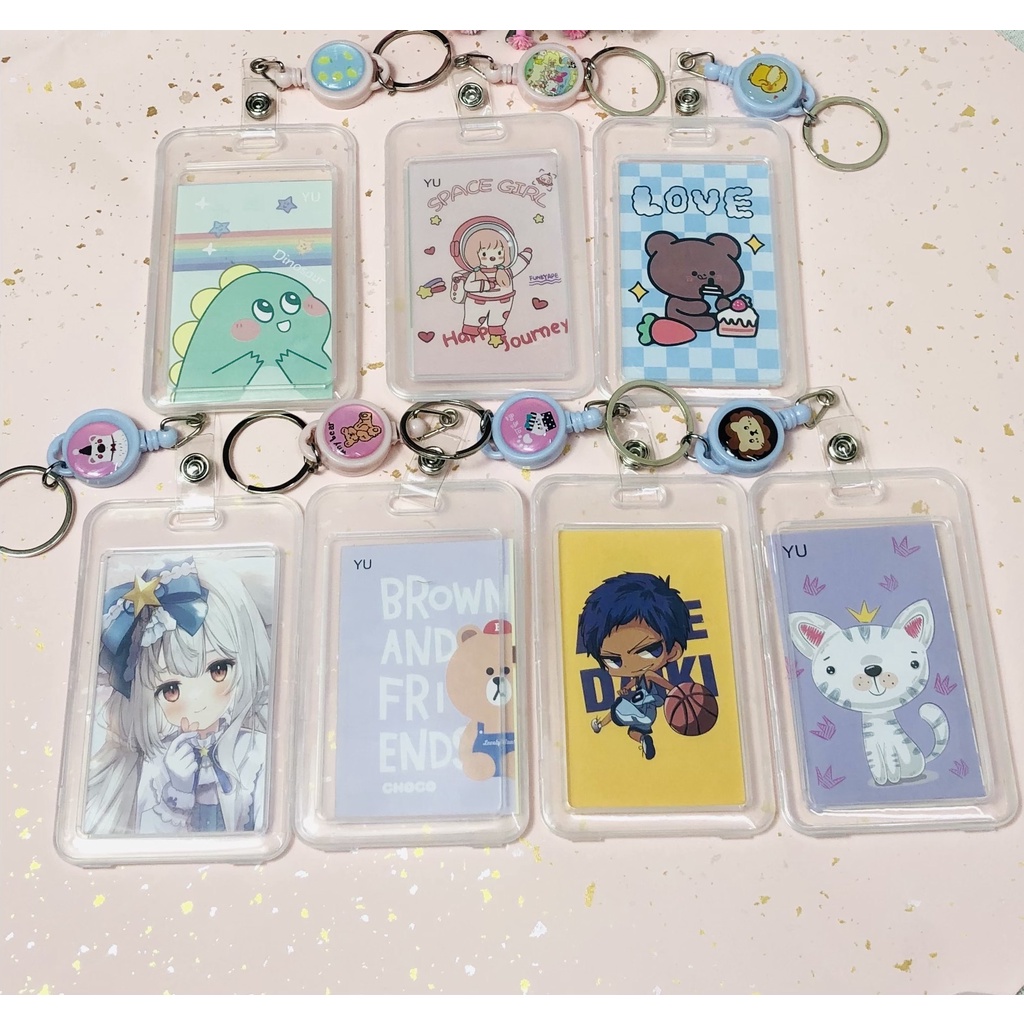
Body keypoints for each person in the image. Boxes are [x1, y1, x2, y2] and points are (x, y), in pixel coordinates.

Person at [84, 555, 271, 836]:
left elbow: (271, 829)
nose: (197, 702)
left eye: (218, 670)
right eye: (171, 689)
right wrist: (177, 795)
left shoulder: (256, 752)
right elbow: (149, 844)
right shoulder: (158, 763)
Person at [577, 572, 690, 760]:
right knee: (633, 731)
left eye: (647, 650)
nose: (631, 664)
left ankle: (600, 724)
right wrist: (627, 688)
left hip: (644, 704)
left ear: (673, 651)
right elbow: (635, 681)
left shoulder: (648, 674)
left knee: (616, 710)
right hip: (648, 710)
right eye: (613, 660)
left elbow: (657, 679)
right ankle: (644, 739)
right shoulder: (641, 675)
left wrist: (676, 691)